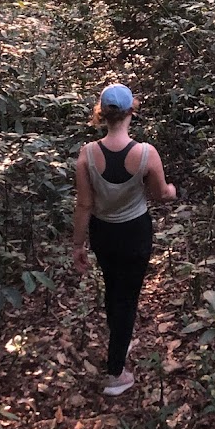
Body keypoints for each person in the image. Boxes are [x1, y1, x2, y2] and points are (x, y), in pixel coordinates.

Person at [73, 82, 176, 396]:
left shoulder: (87, 155)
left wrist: (78, 244)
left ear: (101, 114)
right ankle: (116, 372)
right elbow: (161, 195)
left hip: (103, 233)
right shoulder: (146, 154)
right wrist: (171, 191)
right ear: (132, 110)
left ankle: (120, 335)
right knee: (127, 298)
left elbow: (84, 205)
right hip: (135, 232)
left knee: (113, 288)